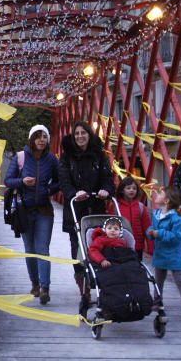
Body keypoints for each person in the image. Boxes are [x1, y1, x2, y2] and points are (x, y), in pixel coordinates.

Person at [4, 124, 60, 304]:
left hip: (44, 209)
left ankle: (45, 288)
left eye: (45, 137)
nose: (42, 140)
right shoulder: (21, 157)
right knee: (30, 250)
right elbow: (8, 180)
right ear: (32, 138)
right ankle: (35, 284)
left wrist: (48, 190)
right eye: (38, 136)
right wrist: (22, 181)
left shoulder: (51, 159)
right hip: (25, 210)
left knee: (42, 249)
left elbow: (59, 180)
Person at [59, 121, 114, 294]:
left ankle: (99, 281)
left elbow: (107, 177)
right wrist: (73, 193)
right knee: (77, 248)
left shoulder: (99, 155)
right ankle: (84, 288)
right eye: (77, 134)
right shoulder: (67, 157)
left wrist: (106, 190)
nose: (80, 136)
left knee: (98, 244)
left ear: (89, 135)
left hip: (96, 208)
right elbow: (64, 181)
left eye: (83, 133)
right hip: (76, 209)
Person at [147, 186, 181, 319]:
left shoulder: (178, 219)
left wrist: (159, 233)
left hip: (175, 255)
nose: (156, 194)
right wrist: (150, 232)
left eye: (160, 193)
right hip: (161, 253)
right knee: (158, 279)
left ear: (167, 201)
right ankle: (157, 301)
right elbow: (153, 227)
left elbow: (177, 237)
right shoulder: (157, 214)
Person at [111, 176, 153, 259]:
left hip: (138, 246)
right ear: (122, 190)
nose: (131, 190)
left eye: (134, 188)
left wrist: (150, 248)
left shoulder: (141, 207)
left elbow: (147, 228)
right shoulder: (116, 206)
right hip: (121, 245)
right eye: (128, 188)